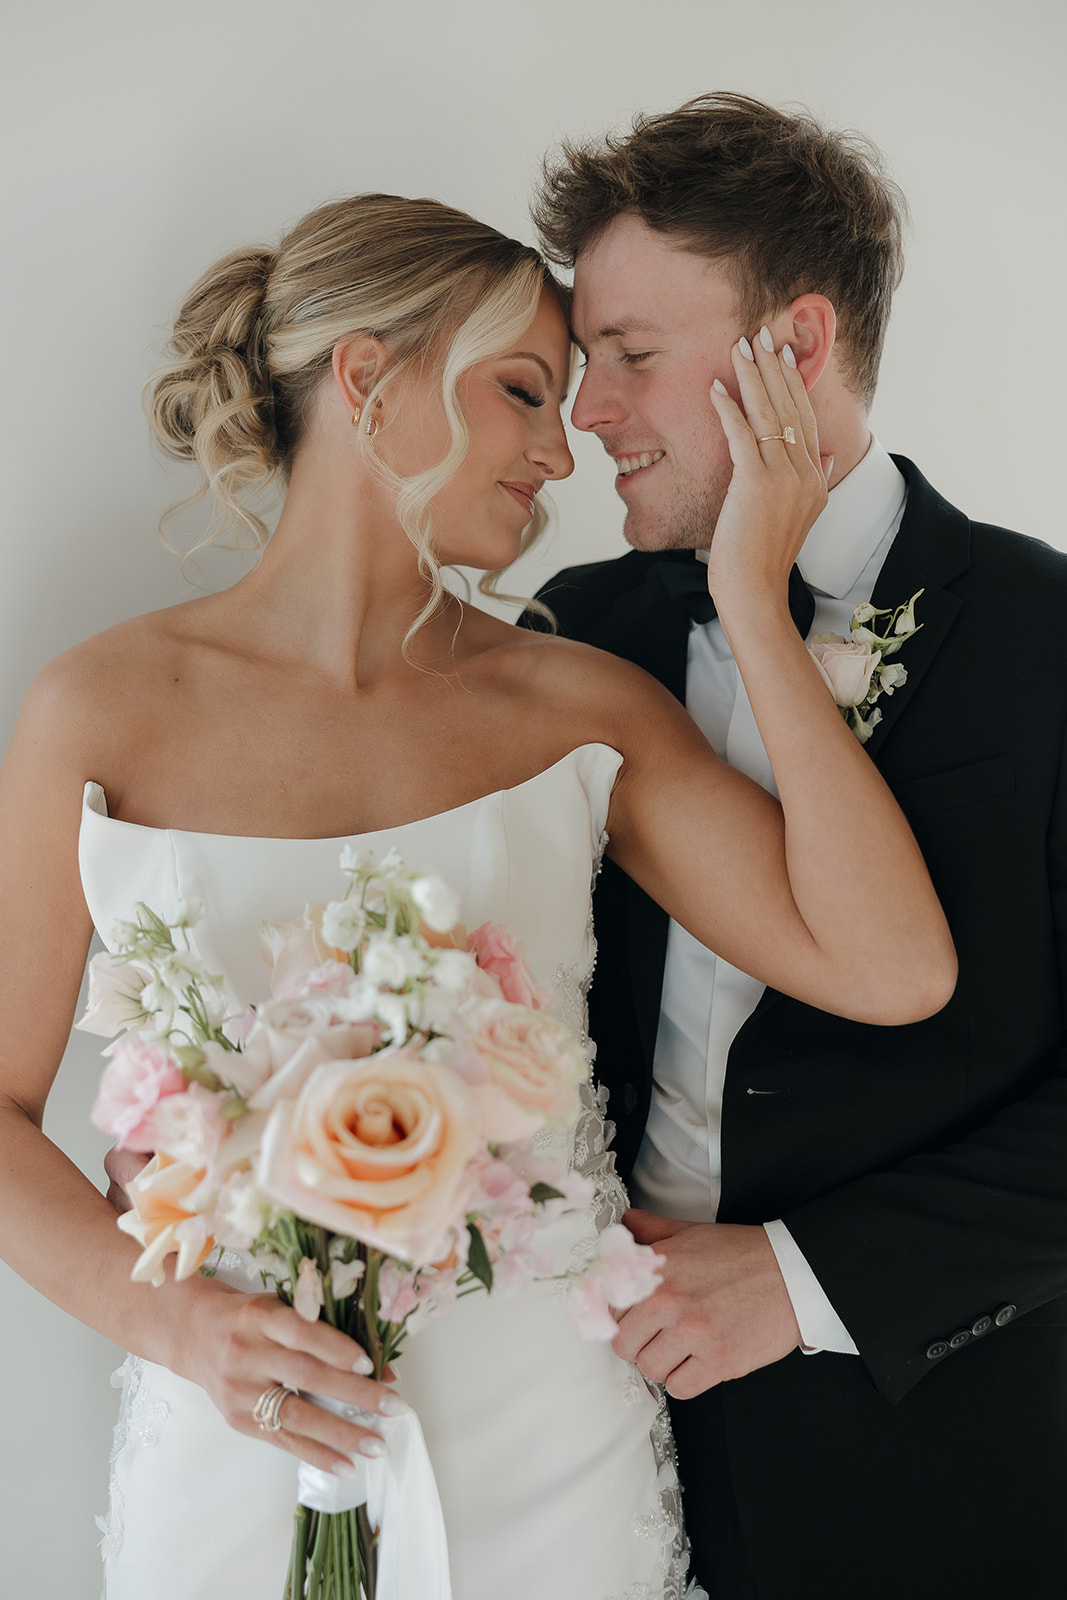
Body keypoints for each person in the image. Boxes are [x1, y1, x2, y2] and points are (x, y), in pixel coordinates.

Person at [0, 192, 953, 1600]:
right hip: (237, 1436)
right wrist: (184, 1332)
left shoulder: (578, 706)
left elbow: (893, 970)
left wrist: (751, 599)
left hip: (546, 1449)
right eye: (524, 393)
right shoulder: (102, 708)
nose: (561, 453)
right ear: (369, 381)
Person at [529, 91, 1067, 1599]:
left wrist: (803, 1280)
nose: (588, 416)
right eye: (582, 368)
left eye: (629, 358)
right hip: (587, 1451)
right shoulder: (576, 634)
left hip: (938, 1476)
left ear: (800, 348)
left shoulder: (1048, 637)